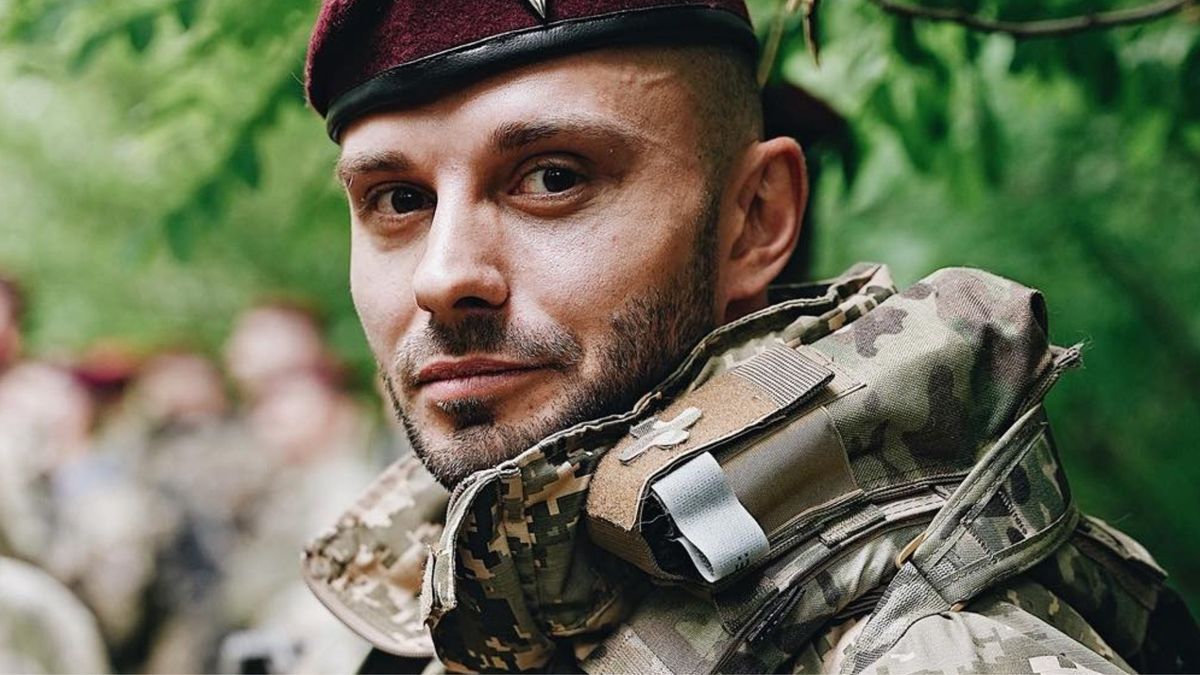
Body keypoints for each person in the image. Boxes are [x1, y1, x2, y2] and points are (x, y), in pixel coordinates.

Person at [298, 1, 1199, 673]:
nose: (442, 276)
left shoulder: (941, 653)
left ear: (757, 219)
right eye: (398, 199)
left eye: (553, 177)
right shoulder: (448, 611)